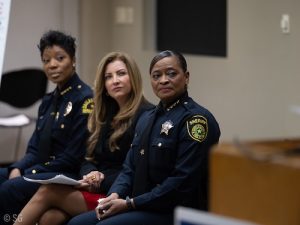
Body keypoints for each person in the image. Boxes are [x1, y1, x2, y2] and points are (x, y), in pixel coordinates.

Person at [66, 50, 221, 225]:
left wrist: (131, 203)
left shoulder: (196, 120)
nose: (163, 80)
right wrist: (114, 195)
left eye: (171, 73)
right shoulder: (147, 118)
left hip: (175, 211)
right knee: (77, 223)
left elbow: (181, 183)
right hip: (141, 204)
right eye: (156, 75)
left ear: (186, 77)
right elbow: (129, 168)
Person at [13, 51, 153, 225]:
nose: (115, 80)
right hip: (95, 187)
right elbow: (88, 158)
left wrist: (99, 179)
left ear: (133, 77)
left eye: (121, 74)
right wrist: (90, 175)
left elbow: (134, 171)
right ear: (105, 86)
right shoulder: (104, 114)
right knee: (50, 218)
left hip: (119, 195)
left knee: (47, 191)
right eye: (108, 77)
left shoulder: (147, 115)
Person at [0, 30, 93, 223]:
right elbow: (34, 149)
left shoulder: (85, 99)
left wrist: (28, 173)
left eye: (60, 58)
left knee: (10, 188)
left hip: (65, 173)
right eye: (46, 60)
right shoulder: (48, 100)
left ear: (73, 60)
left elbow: (72, 157)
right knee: (4, 176)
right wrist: (18, 168)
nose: (52, 65)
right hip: (42, 169)